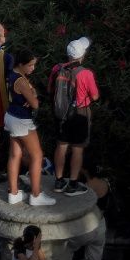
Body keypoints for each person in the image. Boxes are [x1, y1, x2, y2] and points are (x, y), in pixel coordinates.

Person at [4, 53, 55, 209]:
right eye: (30, 65)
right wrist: (32, 95)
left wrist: (31, 93)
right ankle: (36, 195)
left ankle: (13, 194)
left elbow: (30, 94)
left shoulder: (12, 74)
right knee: (37, 155)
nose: (33, 68)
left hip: (10, 116)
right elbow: (35, 104)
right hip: (21, 120)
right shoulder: (21, 80)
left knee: (15, 155)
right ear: (20, 64)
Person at [49, 37, 99, 194]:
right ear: (82, 55)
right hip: (80, 114)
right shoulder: (86, 73)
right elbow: (95, 96)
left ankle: (58, 181)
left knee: (61, 146)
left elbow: (50, 90)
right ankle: (73, 184)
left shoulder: (56, 69)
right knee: (77, 149)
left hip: (60, 113)